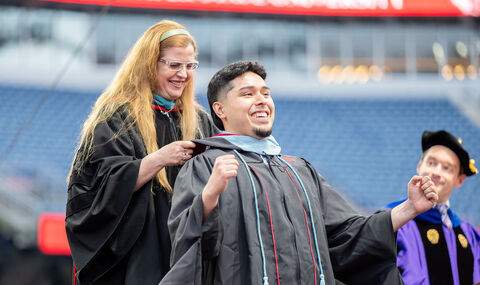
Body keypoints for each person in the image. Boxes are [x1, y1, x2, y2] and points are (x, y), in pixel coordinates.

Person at [161, 61, 438, 285]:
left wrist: (409, 208)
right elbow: (190, 251)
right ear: (219, 109)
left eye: (265, 93)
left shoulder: (299, 171)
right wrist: (210, 195)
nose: (261, 100)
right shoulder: (206, 167)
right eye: (247, 94)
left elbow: (346, 235)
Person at [65, 20, 217, 284]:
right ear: (150, 64)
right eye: (174, 65)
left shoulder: (200, 121)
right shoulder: (117, 117)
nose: (183, 74)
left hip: (184, 251)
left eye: (190, 66)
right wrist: (159, 158)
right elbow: (99, 189)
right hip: (136, 255)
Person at [388, 130, 479, 285]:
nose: (436, 172)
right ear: (419, 166)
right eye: (431, 163)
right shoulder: (393, 221)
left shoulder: (467, 233)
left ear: (459, 180)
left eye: (447, 168)